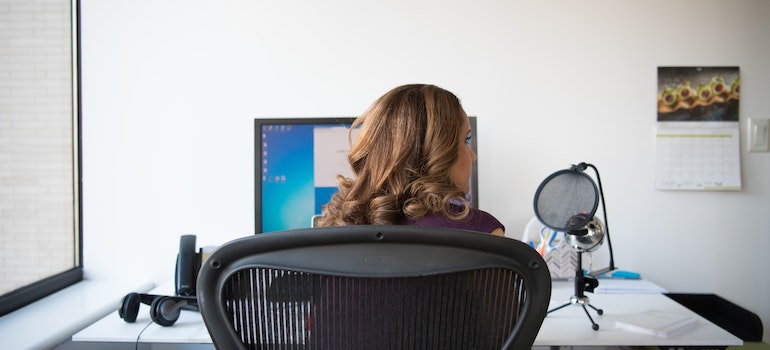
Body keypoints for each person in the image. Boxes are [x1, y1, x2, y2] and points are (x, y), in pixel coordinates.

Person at [316, 84, 505, 236]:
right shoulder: (483, 233)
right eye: (466, 140)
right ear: (440, 152)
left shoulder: (327, 236)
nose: (473, 156)